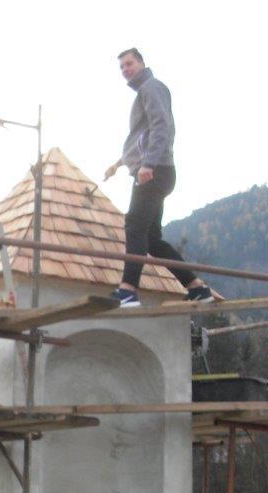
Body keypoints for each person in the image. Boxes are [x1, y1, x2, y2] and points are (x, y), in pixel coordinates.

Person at [103, 47, 212, 307]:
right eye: (122, 67)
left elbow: (162, 126)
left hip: (154, 170)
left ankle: (128, 290)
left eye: (129, 63)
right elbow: (143, 138)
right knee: (151, 239)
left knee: (134, 225)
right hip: (155, 170)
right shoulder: (145, 91)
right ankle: (196, 287)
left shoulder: (151, 87)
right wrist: (119, 164)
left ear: (141, 63)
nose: (125, 69)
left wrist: (148, 163)